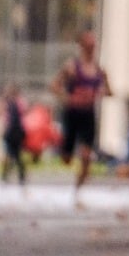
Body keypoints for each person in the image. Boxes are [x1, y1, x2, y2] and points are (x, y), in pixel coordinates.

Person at [50, 31, 110, 191]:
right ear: (82, 46)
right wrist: (68, 98)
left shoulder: (99, 70)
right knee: (67, 158)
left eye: (94, 46)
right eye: (89, 46)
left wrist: (98, 93)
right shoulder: (72, 67)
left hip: (88, 114)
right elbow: (54, 86)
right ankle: (66, 151)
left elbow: (109, 91)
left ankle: (79, 187)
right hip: (72, 114)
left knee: (86, 155)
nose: (92, 49)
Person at [0, 84, 29, 185]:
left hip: (13, 133)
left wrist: (7, 133)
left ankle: (7, 177)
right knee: (16, 156)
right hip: (18, 133)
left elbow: (12, 121)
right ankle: (19, 176)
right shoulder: (20, 103)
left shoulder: (13, 104)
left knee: (12, 155)